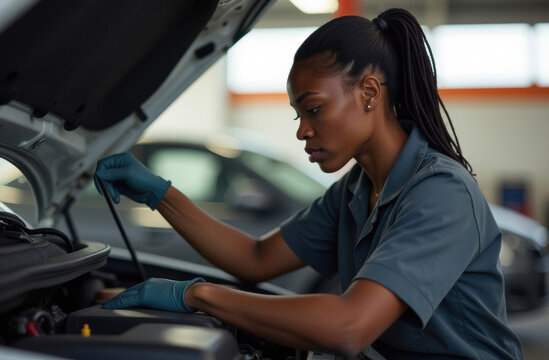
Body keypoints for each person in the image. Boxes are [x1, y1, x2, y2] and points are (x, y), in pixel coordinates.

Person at [94, 8, 524, 359]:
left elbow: (348, 326)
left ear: (369, 93)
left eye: (313, 110)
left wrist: (198, 296)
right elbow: (256, 257)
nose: (302, 131)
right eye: (297, 115)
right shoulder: (356, 189)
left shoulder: (440, 192)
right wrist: (159, 193)